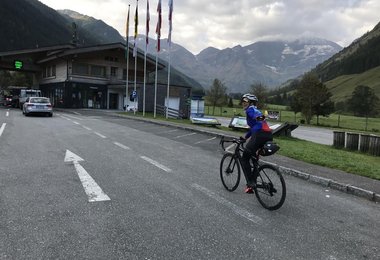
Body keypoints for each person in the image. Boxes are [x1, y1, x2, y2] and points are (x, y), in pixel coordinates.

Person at [240, 93, 273, 194]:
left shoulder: (251, 110)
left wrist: (263, 117)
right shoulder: (255, 110)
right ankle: (253, 182)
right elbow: (255, 126)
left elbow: (258, 121)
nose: (243, 103)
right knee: (254, 158)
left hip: (259, 135)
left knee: (245, 157)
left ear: (251, 103)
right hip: (267, 134)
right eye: (243, 101)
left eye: (245, 101)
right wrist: (245, 137)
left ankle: (250, 182)